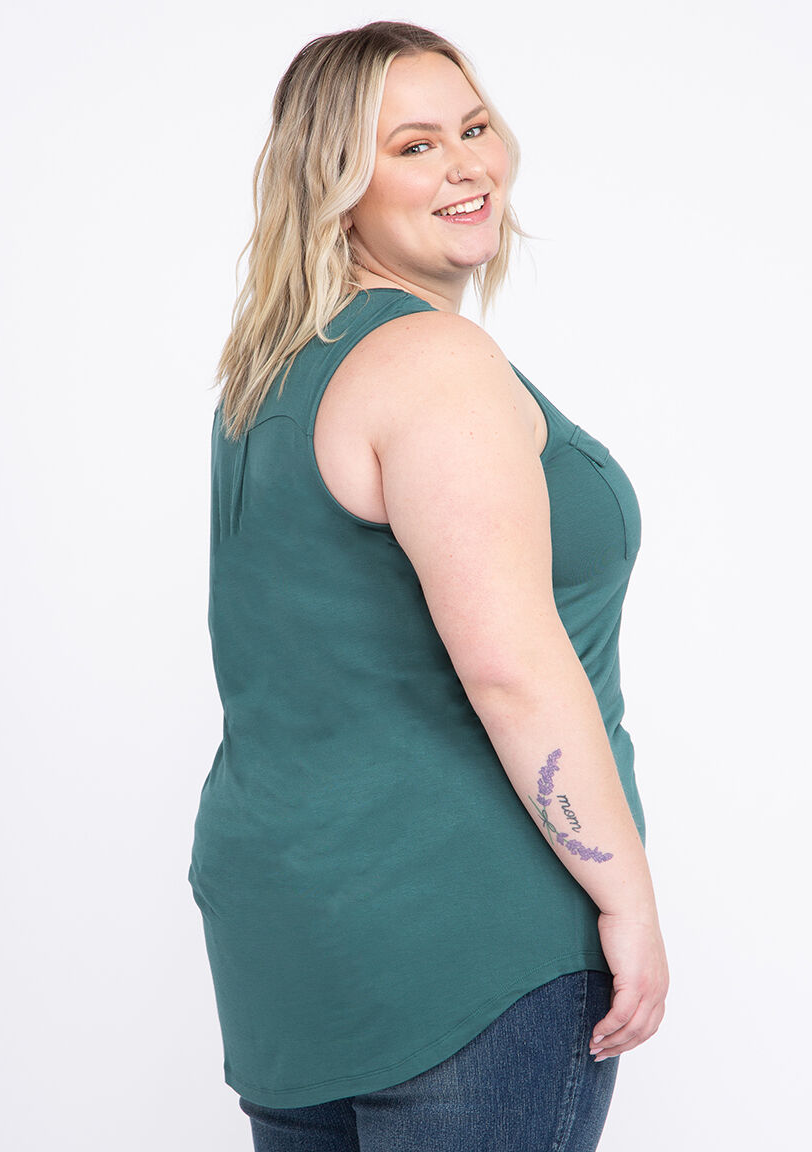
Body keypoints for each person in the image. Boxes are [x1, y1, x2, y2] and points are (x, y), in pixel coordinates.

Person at [187, 19, 669, 1152]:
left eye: (475, 127)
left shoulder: (268, 374)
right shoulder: (434, 363)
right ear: (336, 186)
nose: (467, 166)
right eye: (414, 146)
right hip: (468, 939)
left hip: (286, 938)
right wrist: (627, 894)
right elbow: (510, 669)